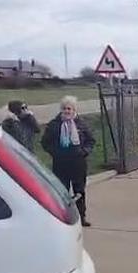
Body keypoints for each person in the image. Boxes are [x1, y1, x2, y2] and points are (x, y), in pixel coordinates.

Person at [41, 96, 96, 227]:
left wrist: (84, 151)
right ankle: (63, 217)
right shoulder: (54, 125)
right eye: (64, 108)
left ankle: (81, 217)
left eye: (69, 108)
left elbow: (91, 140)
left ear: (74, 110)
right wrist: (54, 152)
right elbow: (45, 142)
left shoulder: (81, 124)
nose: (67, 111)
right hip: (61, 163)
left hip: (78, 162)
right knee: (61, 191)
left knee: (79, 190)